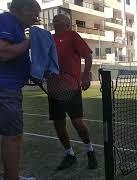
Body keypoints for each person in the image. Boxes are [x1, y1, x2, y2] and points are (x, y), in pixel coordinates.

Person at [50, 14, 97, 170]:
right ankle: (69, 154)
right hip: (54, 88)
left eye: (59, 19)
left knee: (77, 122)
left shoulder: (73, 35)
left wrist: (86, 75)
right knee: (59, 124)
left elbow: (88, 56)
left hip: (72, 87)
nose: (55, 20)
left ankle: (90, 151)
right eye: (54, 19)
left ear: (67, 23)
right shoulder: (49, 38)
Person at [0, 0, 41, 179]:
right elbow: (3, 53)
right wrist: (29, 43)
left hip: (8, 88)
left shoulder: (13, 24)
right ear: (23, 9)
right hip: (5, 89)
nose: (36, 18)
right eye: (34, 13)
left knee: (10, 135)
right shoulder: (7, 20)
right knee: (13, 136)